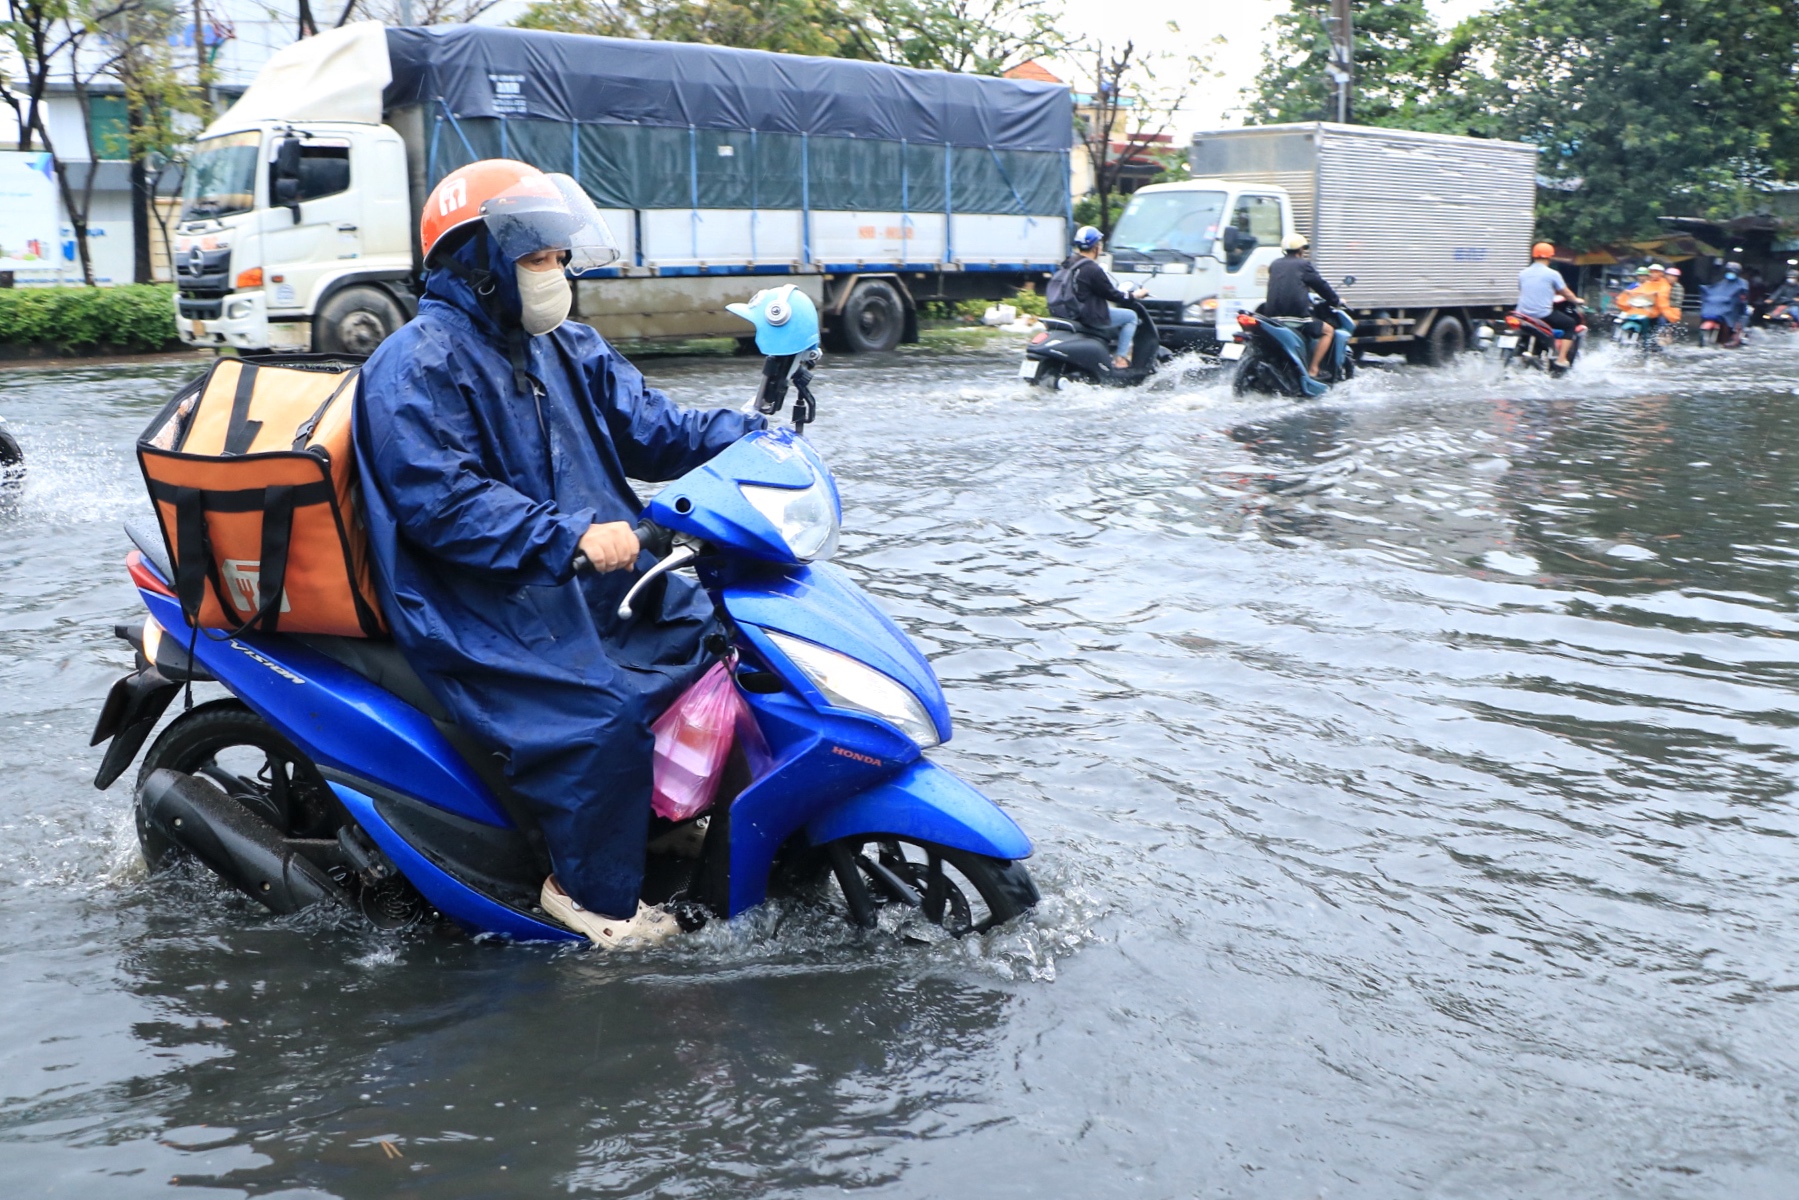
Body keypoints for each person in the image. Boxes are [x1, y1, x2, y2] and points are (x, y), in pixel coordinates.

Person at [355, 160, 765, 949]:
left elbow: (656, 429)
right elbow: (443, 503)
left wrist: (755, 433)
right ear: (476, 262)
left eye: (557, 257)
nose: (555, 274)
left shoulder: (567, 347)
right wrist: (570, 534)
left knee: (714, 640)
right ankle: (589, 895)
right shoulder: (416, 362)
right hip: (475, 597)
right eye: (535, 257)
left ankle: (654, 816)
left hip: (585, 578)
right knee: (599, 716)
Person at [1047, 225, 1148, 369]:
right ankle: (1120, 358)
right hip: (1088, 315)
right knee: (1131, 317)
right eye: (1099, 244)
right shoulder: (1092, 269)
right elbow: (1112, 294)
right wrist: (1134, 295)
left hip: (1069, 312)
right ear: (1096, 247)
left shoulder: (1068, 263)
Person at [1259, 233, 1342, 380]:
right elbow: (1321, 286)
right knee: (1328, 331)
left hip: (1272, 319)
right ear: (1301, 250)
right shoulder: (1304, 265)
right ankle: (1314, 369)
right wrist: (1335, 301)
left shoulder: (1275, 264)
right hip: (1296, 318)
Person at [1515, 242, 1583, 367]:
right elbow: (1566, 293)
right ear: (1550, 257)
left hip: (1521, 314)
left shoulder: (1523, 273)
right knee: (1570, 324)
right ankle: (1561, 359)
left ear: (1534, 256)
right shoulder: (1553, 274)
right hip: (1542, 314)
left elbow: (1522, 289)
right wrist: (1576, 300)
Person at [1616, 262, 1679, 339]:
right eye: (1652, 272)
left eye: (1656, 272)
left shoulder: (1664, 284)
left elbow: (1663, 297)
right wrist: (1628, 293)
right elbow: (1639, 290)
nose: (1654, 274)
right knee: (1622, 317)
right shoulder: (1647, 283)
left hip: (1657, 309)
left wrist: (1656, 295)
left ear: (1661, 273)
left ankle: (1655, 340)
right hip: (1642, 307)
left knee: (1661, 322)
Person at [1700, 261, 1752, 346]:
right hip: (1721, 308)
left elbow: (1743, 296)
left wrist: (1740, 298)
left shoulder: (1742, 283)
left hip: (1735, 308)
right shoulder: (1721, 282)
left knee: (1742, 318)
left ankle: (1737, 335)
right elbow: (1713, 290)